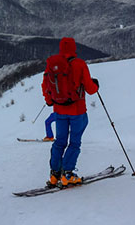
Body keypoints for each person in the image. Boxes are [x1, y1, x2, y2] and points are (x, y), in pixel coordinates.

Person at [42, 37, 99, 187]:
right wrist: (96, 85)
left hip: (59, 110)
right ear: (74, 48)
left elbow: (45, 84)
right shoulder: (79, 64)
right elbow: (90, 88)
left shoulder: (53, 65)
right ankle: (67, 173)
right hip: (77, 110)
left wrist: (49, 101)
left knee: (59, 141)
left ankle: (54, 175)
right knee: (74, 142)